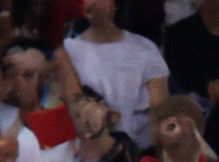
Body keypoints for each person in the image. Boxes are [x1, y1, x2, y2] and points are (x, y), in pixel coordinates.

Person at [60, 0, 169, 153]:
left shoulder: (145, 49)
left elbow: (161, 110)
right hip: (89, 152)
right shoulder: (68, 52)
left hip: (139, 154)